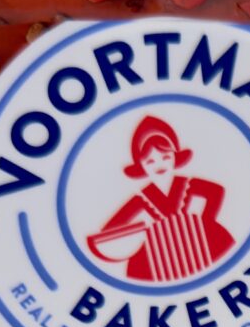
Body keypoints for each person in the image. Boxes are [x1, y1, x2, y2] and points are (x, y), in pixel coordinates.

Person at [85, 116, 233, 282]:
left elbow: (215, 191)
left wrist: (206, 223)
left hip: (198, 245)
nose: (159, 165)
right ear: (141, 166)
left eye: (166, 157)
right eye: (150, 161)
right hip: (159, 255)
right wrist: (141, 231)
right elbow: (112, 228)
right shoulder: (142, 197)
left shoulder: (186, 183)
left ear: (175, 157)